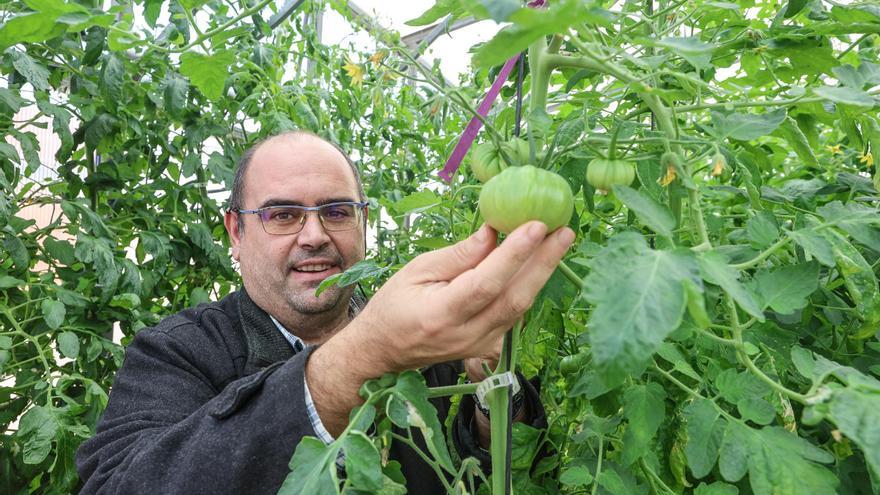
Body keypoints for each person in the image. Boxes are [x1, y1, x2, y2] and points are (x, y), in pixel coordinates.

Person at [75, 131, 575, 494]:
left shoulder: (431, 338)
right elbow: (119, 485)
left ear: (363, 223)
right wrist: (365, 357)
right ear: (236, 233)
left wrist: (490, 391)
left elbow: (526, 472)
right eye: (282, 214)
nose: (314, 235)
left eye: (336, 212)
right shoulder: (180, 352)